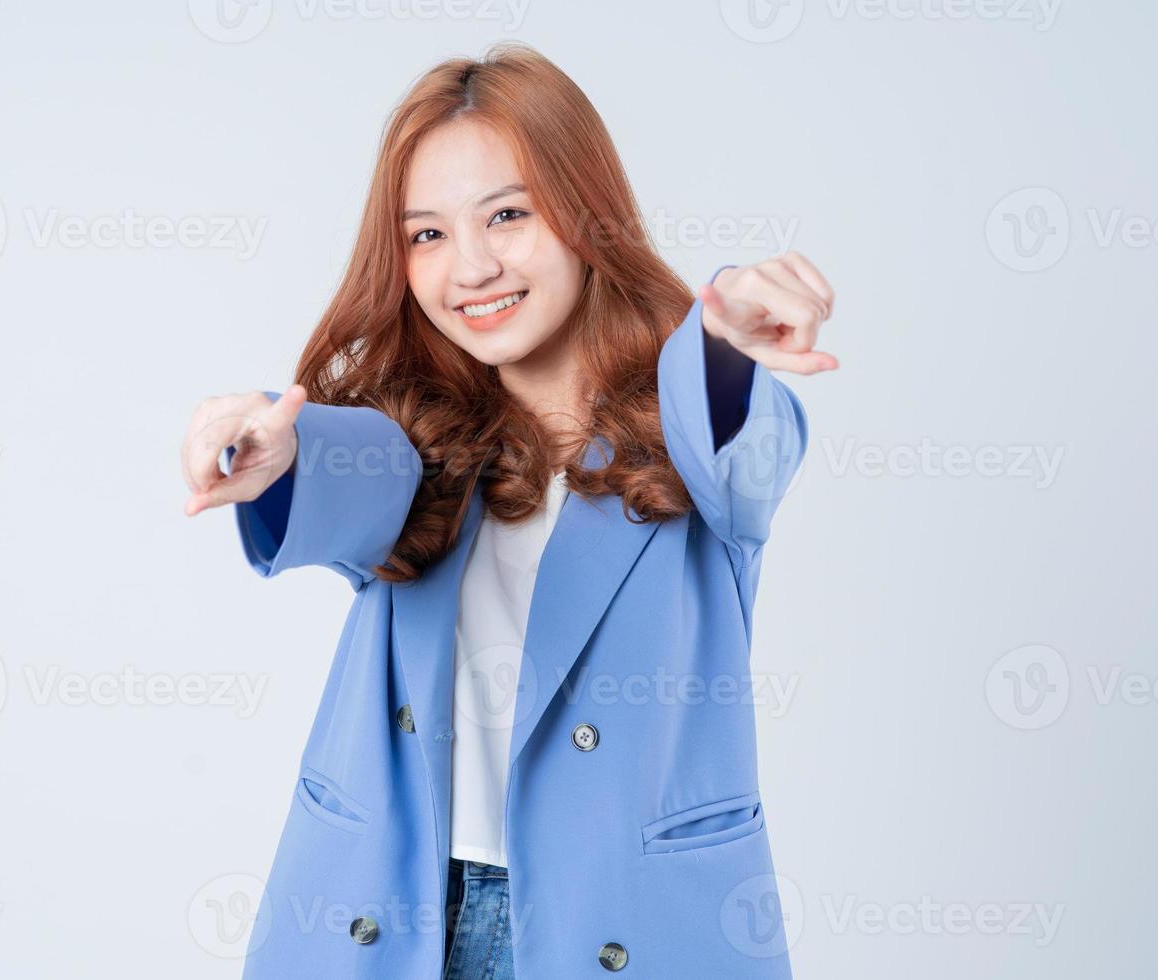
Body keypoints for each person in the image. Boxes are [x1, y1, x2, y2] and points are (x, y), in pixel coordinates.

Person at [180, 41, 835, 980]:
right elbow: (346, 470)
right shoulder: (417, 447)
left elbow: (739, 441)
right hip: (390, 916)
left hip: (616, 927)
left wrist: (725, 347)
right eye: (428, 235)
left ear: (586, 217)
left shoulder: (693, 444)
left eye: (509, 215)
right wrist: (277, 453)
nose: (473, 266)